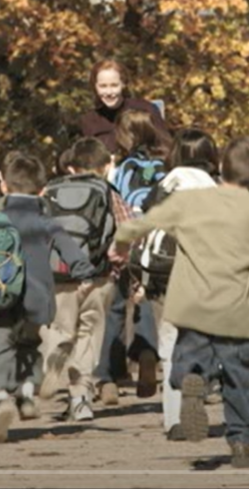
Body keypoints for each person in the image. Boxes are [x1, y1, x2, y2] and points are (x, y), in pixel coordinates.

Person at [112, 136, 249, 469]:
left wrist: (120, 244)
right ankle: (243, 442)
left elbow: (141, 224)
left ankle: (191, 380)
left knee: (189, 352)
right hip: (237, 308)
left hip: (191, 303)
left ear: (221, 168)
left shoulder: (191, 203)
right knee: (239, 376)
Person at [0, 151, 98, 444]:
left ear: (3, 185)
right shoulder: (46, 221)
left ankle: (2, 396)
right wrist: (86, 275)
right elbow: (72, 253)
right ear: (42, 189)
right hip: (38, 300)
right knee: (30, 347)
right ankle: (28, 392)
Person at [136, 127, 219, 440]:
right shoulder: (215, 185)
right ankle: (197, 381)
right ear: (211, 156)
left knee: (169, 342)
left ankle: (173, 420)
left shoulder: (166, 182)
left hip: (163, 270)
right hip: (202, 270)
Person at [39, 138, 130, 421]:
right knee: (89, 336)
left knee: (62, 329)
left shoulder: (50, 190)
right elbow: (126, 230)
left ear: (71, 165)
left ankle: (55, 357)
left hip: (59, 275)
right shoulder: (108, 190)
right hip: (99, 275)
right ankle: (81, 402)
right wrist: (119, 264)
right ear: (105, 167)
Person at [96, 109, 170, 404]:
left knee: (115, 305)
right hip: (156, 238)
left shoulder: (121, 167)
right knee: (147, 299)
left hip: (127, 235)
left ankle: (109, 376)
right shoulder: (163, 166)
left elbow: (114, 200)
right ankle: (149, 352)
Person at [79, 59, 171, 157]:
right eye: (103, 86)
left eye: (114, 85)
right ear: (95, 87)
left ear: (123, 84)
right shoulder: (89, 121)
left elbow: (165, 148)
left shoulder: (145, 110)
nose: (109, 92)